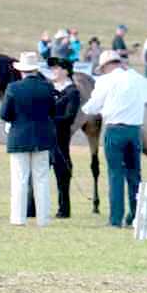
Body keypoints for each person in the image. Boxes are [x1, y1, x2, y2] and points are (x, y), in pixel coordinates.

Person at [81, 50, 145, 228]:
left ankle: (116, 219)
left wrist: (83, 109)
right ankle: (135, 216)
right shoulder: (138, 78)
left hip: (115, 130)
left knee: (115, 174)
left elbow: (93, 106)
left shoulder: (105, 80)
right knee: (134, 175)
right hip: (134, 131)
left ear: (106, 66)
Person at [0, 51, 56, 226]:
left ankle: (18, 218)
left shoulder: (13, 88)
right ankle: (43, 219)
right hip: (42, 138)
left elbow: (4, 114)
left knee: (19, 179)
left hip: (19, 138)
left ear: (22, 71)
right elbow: (52, 112)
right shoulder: (47, 87)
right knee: (42, 178)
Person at [47, 57, 80, 218]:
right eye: (52, 68)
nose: (53, 71)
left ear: (66, 71)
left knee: (62, 174)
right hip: (45, 139)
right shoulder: (48, 88)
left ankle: (64, 208)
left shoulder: (72, 92)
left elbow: (70, 118)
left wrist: (48, 119)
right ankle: (33, 207)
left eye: (57, 68)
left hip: (60, 139)